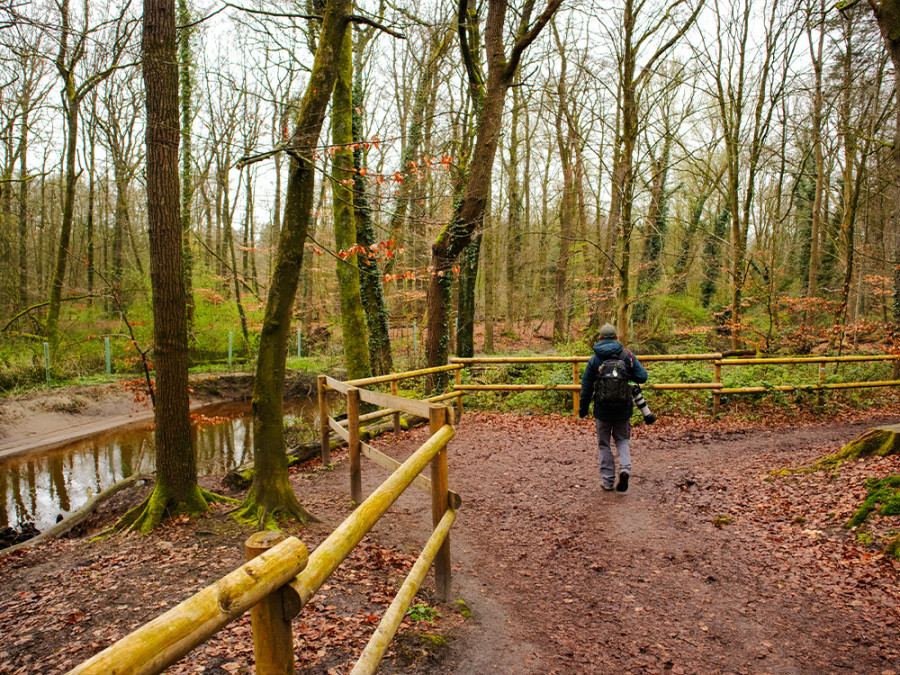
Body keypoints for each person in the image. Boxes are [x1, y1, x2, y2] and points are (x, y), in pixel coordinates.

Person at [579, 323, 648, 492]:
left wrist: (583, 409)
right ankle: (625, 469)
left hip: (602, 409)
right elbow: (643, 377)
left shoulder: (595, 359)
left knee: (604, 444)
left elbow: (586, 386)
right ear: (616, 338)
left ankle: (608, 481)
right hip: (623, 408)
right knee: (622, 440)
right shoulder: (627, 356)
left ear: (600, 338)